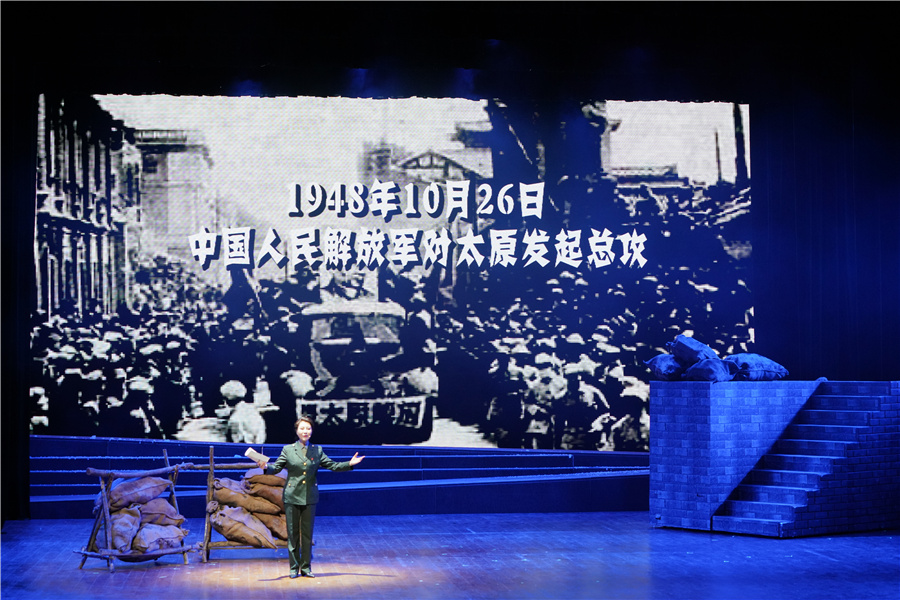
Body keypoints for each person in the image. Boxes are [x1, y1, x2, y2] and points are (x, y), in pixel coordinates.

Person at [255, 416, 365, 578]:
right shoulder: (288, 449)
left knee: (307, 534)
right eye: (302, 428)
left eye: (308, 428)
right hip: (292, 496)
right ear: (297, 431)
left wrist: (349, 464)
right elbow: (276, 468)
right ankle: (294, 567)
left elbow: (333, 466)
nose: (305, 431)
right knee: (293, 534)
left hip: (309, 497)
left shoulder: (317, 450)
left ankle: (306, 567)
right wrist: (265, 466)